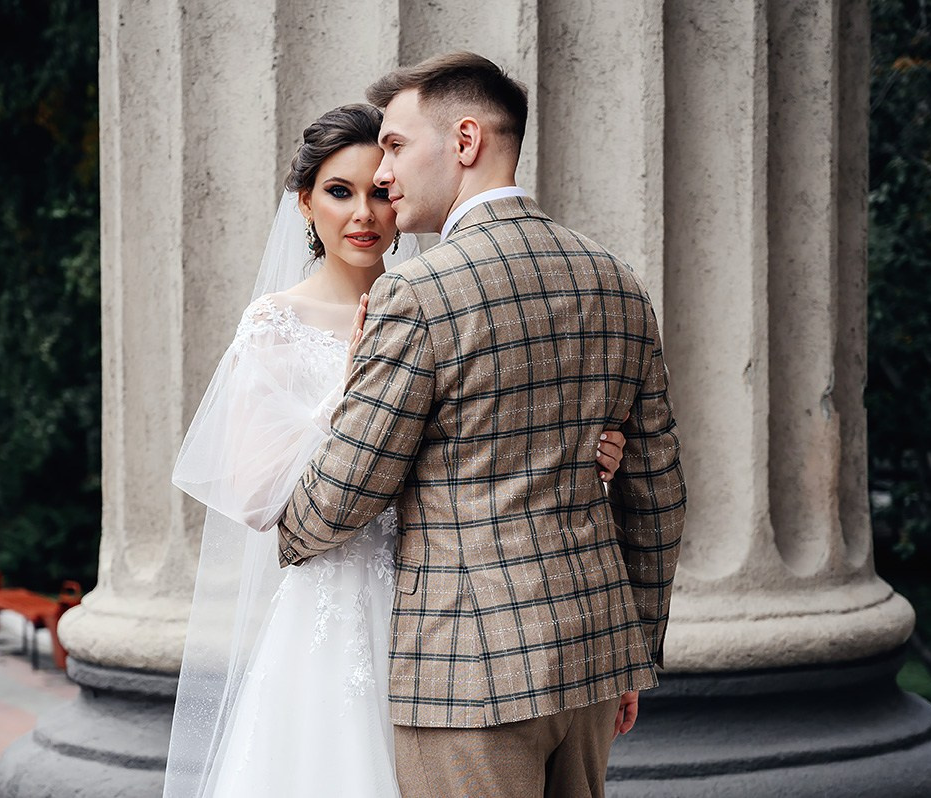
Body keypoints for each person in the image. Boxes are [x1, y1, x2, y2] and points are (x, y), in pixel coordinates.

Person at [162, 103, 627, 798]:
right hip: (334, 605)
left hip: (455, 614)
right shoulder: (276, 323)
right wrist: (352, 391)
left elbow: (496, 441)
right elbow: (257, 497)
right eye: (339, 192)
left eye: (379, 191)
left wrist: (584, 456)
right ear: (304, 203)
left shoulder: (442, 300)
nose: (364, 214)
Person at [276, 53, 687, 798]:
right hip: (593, 664)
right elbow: (658, 494)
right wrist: (637, 654)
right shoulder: (616, 278)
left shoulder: (418, 290)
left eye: (397, 147)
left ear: (465, 142)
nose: (386, 174)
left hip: (467, 677)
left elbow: (344, 493)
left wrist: (285, 532)